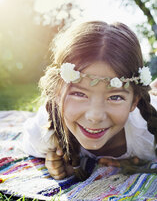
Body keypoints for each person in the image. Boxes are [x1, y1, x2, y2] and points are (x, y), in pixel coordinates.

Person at [22, 21, 157, 181]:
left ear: (134, 101)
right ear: (56, 93)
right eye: (79, 94)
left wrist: (135, 161)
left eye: (115, 97)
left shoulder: (147, 134)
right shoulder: (45, 133)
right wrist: (52, 156)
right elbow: (27, 141)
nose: (95, 116)